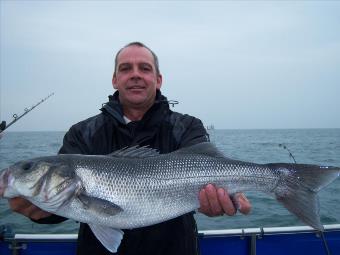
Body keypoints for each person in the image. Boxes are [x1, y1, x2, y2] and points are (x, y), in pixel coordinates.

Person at [8, 42, 251, 255]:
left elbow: (209, 171)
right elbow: (65, 209)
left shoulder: (187, 127)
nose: (135, 75)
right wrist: (38, 210)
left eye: (145, 68)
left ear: (158, 79)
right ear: (115, 79)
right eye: (125, 69)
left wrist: (221, 201)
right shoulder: (81, 133)